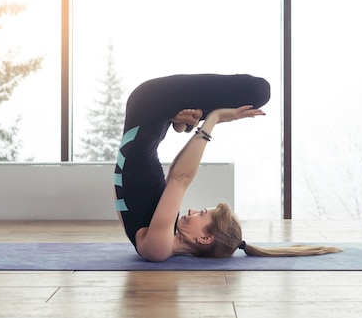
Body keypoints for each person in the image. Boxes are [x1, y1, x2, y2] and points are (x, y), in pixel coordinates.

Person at [113, 74, 340, 262]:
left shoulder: (159, 248)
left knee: (259, 91)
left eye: (202, 214)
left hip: (149, 102)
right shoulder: (163, 235)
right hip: (151, 118)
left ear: (205, 238)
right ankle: (181, 121)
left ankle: (182, 120)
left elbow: (180, 177)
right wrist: (181, 125)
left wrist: (215, 119)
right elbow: (174, 172)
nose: (192, 211)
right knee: (257, 92)